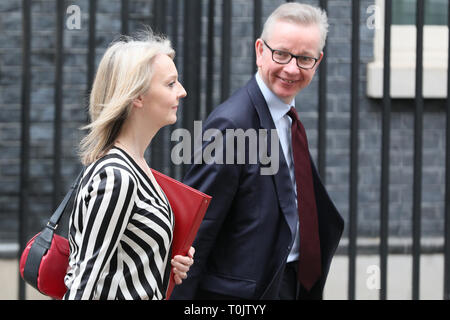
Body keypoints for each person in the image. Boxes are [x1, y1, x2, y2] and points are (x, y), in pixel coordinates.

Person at [170, 3, 344, 300]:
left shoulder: (288, 119)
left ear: (318, 61)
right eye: (282, 54)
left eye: (304, 58)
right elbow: (198, 229)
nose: (291, 68)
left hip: (291, 281)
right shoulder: (233, 123)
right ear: (260, 51)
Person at [63, 30, 194, 300]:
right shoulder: (116, 176)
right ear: (137, 97)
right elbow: (84, 282)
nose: (182, 92)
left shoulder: (137, 166)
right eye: (170, 84)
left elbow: (123, 259)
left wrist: (165, 257)